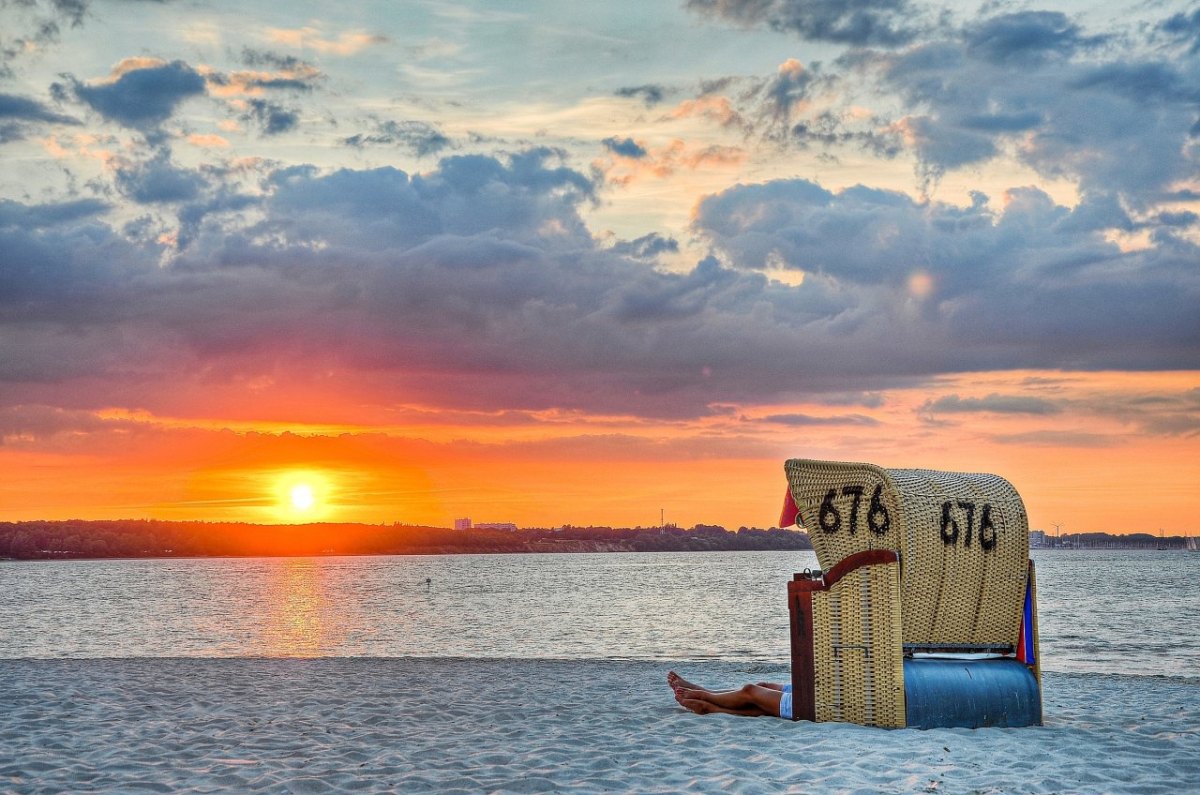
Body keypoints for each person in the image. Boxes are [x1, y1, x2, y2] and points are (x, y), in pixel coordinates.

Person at [667, 671, 793, 719]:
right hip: (805, 690)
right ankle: (706, 693)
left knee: (751, 691)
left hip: (809, 701)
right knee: (763, 686)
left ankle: (705, 698)